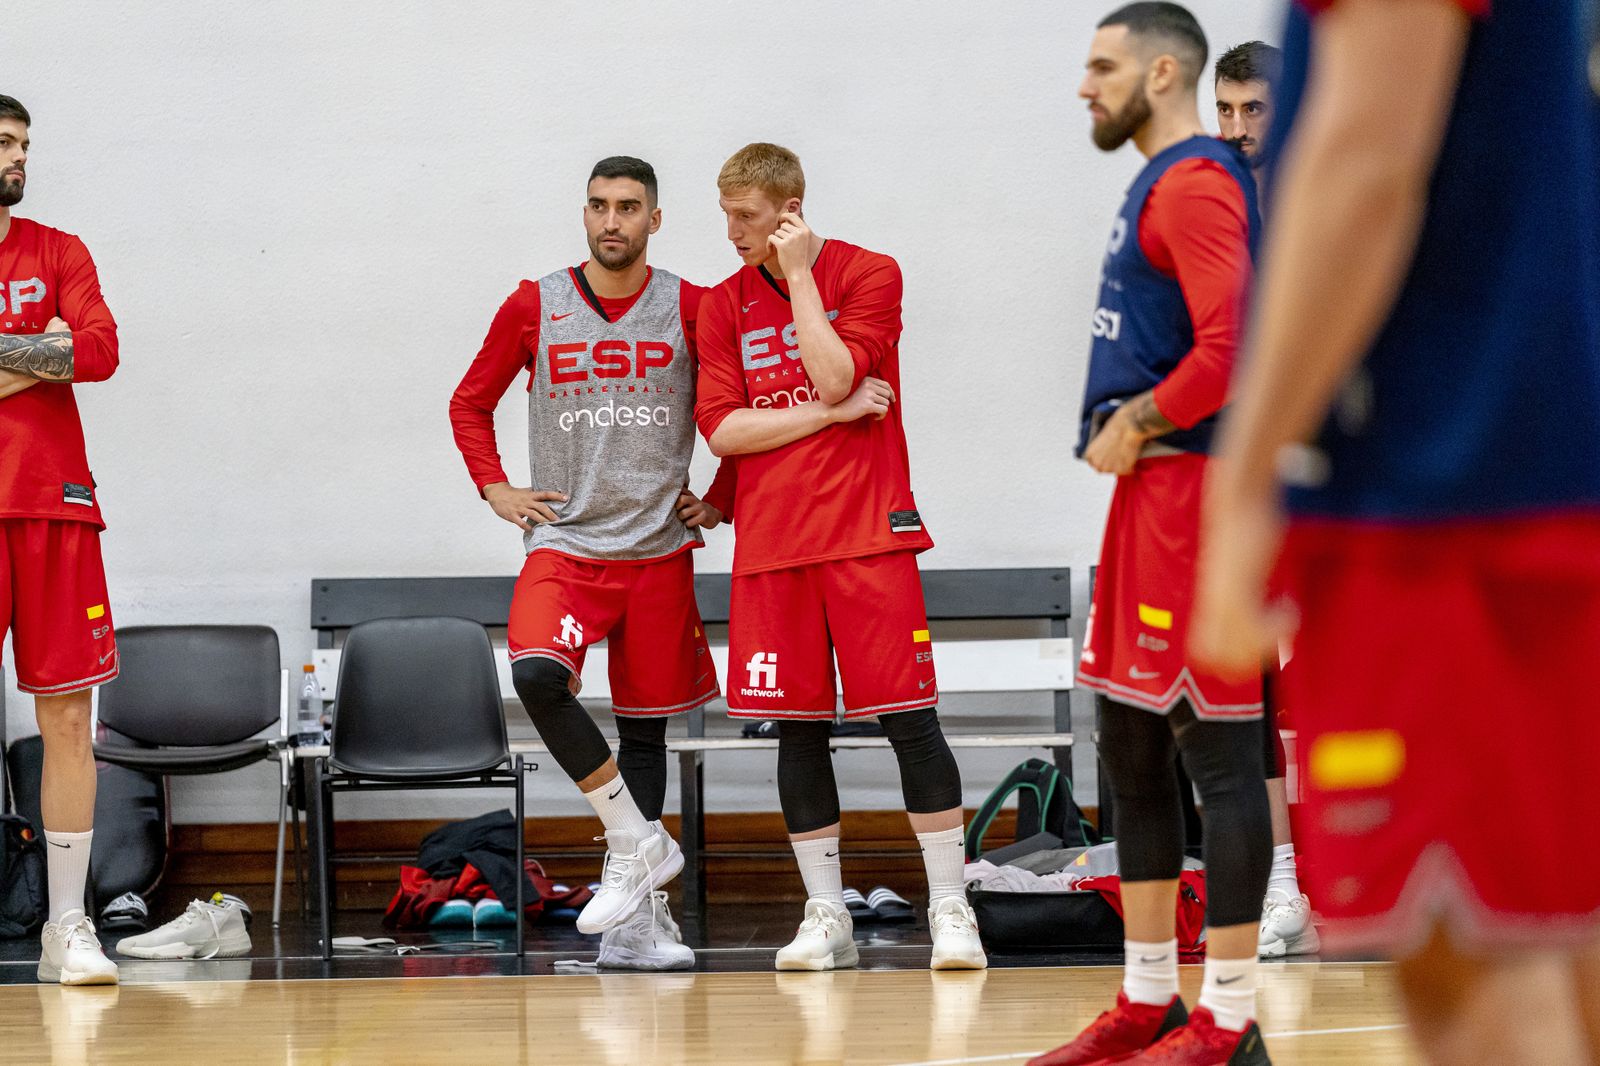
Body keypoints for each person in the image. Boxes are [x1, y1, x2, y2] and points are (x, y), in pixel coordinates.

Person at [1193, 0, 1600, 1062]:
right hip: (1512, 471)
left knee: (1474, 976)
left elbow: (1363, 162)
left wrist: (1245, 476)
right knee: (1552, 949)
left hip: (1446, 500)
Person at [1031, 6, 1273, 1064]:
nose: (1084, 85)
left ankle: (1229, 1012)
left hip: (1197, 497)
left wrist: (1136, 418)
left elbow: (1235, 345)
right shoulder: (1150, 184)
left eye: (1102, 66)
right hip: (1147, 498)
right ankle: (1146, 998)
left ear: (1162, 71)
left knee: (1216, 756)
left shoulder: (1200, 184)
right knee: (1128, 745)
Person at [694, 142, 986, 972]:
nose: (732, 233)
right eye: (725, 216)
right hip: (774, 546)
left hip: (867, 535)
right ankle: (827, 915)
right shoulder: (720, 308)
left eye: (745, 218)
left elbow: (827, 373)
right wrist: (837, 414)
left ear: (789, 211)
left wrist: (803, 284)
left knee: (910, 722)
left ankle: (950, 910)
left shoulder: (870, 273)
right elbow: (725, 432)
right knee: (797, 732)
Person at [449, 156, 732, 970]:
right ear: (584, 214)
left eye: (630, 207)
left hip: (656, 551)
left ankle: (640, 929)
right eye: (601, 207)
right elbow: (470, 401)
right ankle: (635, 841)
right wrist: (494, 487)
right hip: (568, 544)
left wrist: (721, 494)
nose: (614, 221)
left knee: (645, 732)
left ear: (655, 218)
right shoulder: (536, 302)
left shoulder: (692, 305)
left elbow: (749, 404)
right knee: (537, 675)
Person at [0, 94, 121, 987]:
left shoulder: (58, 249)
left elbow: (101, 350)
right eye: (4, 142)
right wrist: (36, 349)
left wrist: (61, 345)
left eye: (23, 145)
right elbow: (63, 351)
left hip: (54, 504)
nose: (16, 157)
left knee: (69, 716)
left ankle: (67, 926)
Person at [1214, 38, 1319, 960]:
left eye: (1255, 111)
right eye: (1229, 112)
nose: (1239, 130)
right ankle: (1287, 886)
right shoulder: (1206, 212)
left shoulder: (1333, 194)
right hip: (1247, 484)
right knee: (1259, 700)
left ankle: (1387, 880)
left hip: (1342, 481)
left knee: (1347, 697)